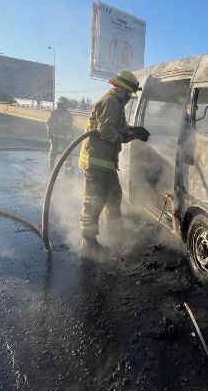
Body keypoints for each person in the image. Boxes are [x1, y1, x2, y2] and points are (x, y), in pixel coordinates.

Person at [78, 70, 150, 254]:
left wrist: (135, 131)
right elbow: (107, 131)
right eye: (129, 93)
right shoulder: (110, 102)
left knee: (114, 197)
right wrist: (125, 135)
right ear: (122, 90)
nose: (129, 97)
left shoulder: (117, 104)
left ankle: (116, 231)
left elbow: (121, 130)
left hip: (106, 163)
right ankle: (88, 242)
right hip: (96, 163)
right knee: (94, 202)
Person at [46, 97, 76, 172]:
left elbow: (70, 125)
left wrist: (71, 134)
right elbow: (49, 123)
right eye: (65, 104)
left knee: (66, 153)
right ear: (62, 104)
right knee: (54, 152)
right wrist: (49, 131)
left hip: (64, 137)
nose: (66, 105)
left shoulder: (68, 114)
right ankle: (52, 167)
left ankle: (67, 169)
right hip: (56, 136)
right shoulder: (54, 113)